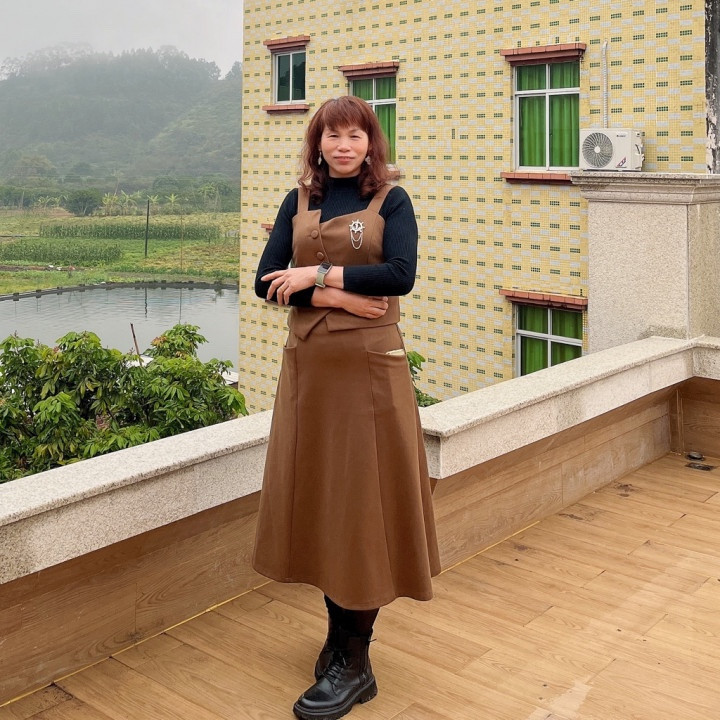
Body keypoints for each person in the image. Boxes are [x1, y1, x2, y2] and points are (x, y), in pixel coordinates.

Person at [253, 95, 440, 720]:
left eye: (355, 135)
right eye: (332, 135)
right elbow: (264, 280)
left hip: (369, 375)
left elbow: (399, 275)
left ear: (370, 143)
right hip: (309, 374)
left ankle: (356, 661)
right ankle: (339, 641)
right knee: (325, 504)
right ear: (318, 144)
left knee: (363, 508)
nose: (343, 145)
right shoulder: (298, 201)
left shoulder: (392, 201)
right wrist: (340, 299)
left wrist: (316, 278)